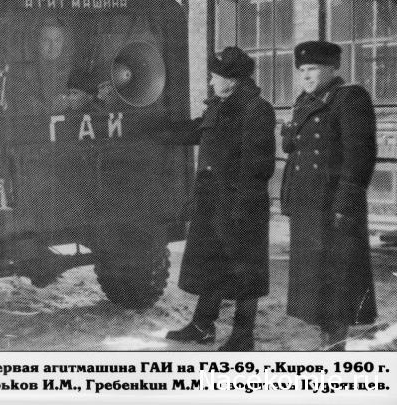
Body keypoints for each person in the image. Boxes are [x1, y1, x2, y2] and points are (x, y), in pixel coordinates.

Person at [161, 47, 275, 351]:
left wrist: (241, 204)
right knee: (211, 262)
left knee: (244, 268)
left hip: (240, 204)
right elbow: (197, 130)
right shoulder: (218, 106)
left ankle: (243, 334)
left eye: (214, 77)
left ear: (232, 80)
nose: (211, 82)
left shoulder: (256, 109)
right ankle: (202, 325)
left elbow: (259, 165)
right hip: (212, 201)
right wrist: (154, 128)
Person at [280, 40, 377, 350]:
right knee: (315, 281)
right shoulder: (303, 102)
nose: (306, 76)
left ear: (333, 69)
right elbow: (295, 153)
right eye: (302, 70)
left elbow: (359, 155)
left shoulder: (349, 99)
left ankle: (335, 346)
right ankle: (327, 341)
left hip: (334, 205)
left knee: (338, 280)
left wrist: (346, 202)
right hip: (308, 204)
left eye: (314, 69)